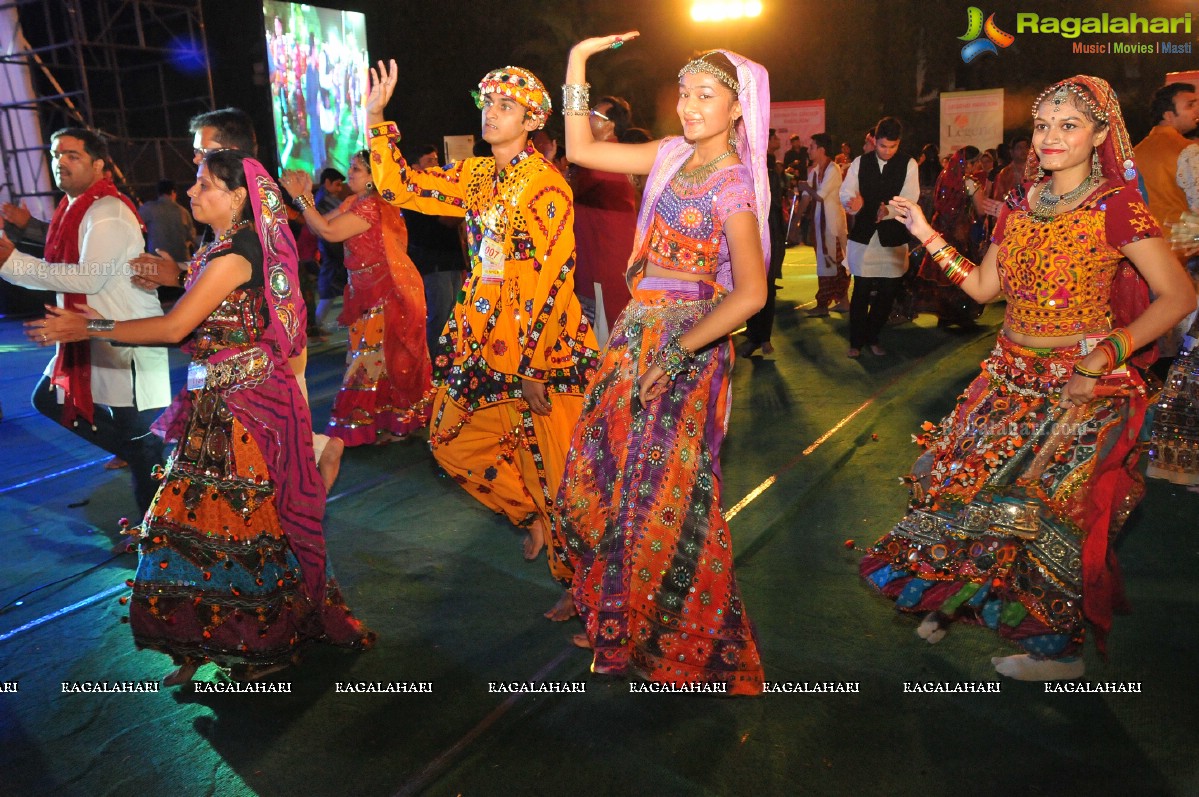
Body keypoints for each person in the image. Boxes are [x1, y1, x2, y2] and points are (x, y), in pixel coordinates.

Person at [861, 76, 1195, 681]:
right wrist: (926, 234)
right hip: (1005, 376)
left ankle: (1058, 650)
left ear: (1100, 134)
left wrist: (1104, 355)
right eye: (1043, 126)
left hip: (1079, 388)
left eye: (1069, 125)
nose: (1050, 137)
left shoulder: (1116, 206)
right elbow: (985, 290)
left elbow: (1176, 295)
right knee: (956, 489)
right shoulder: (1019, 206)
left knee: (1043, 518)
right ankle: (957, 597)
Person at [29, 150, 375, 685]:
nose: (192, 193)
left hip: (245, 411)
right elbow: (214, 303)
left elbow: (174, 330)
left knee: (242, 528)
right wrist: (175, 273)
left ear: (237, 197)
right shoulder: (223, 247)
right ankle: (202, 632)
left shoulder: (235, 254)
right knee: (190, 523)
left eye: (204, 184)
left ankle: (259, 637)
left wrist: (90, 328)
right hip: (218, 404)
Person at [550, 36, 768, 694]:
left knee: (660, 496)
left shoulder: (733, 183)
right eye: (684, 92)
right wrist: (578, 63)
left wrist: (676, 351)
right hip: (631, 334)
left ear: (737, 109)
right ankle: (615, 608)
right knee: (600, 477)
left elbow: (751, 294)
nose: (690, 106)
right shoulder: (670, 153)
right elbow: (583, 149)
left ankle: (675, 639)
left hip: (685, 349)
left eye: (707, 95)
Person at [366, 60, 600, 561]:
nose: (491, 115)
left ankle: (582, 582)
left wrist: (537, 364)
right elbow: (400, 187)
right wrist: (376, 118)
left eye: (506, 106)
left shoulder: (546, 185)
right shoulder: (474, 175)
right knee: (450, 439)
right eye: (488, 104)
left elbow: (556, 277)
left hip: (541, 344)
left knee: (557, 465)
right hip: (481, 334)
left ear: (532, 120)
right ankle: (532, 516)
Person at [130, 107, 345, 490]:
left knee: (272, 469)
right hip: (230, 361)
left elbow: (253, 276)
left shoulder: (260, 213)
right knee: (260, 467)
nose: (195, 159)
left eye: (202, 151)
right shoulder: (227, 211)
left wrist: (92, 326)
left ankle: (315, 468)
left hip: (266, 356)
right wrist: (179, 273)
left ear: (229, 154)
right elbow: (225, 278)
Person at [0, 128, 169, 516]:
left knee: (135, 435)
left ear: (98, 164)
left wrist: (11, 262)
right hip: (91, 334)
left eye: (72, 155)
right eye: (56, 154)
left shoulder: (107, 211)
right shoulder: (74, 208)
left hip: (126, 338)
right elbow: (70, 259)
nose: (60, 161)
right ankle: (151, 467)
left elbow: (87, 277)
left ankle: (158, 531)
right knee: (52, 400)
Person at [282, 150, 432, 445]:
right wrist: (304, 197)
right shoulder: (355, 202)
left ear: (373, 178)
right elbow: (318, 225)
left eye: (357, 169)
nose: (350, 173)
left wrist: (302, 198)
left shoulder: (373, 207)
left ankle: (382, 423)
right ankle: (385, 422)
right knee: (373, 360)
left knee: (376, 361)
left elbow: (328, 231)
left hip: (387, 293)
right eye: (350, 167)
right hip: (366, 291)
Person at [571, 95, 637, 341]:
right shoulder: (607, 155)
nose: (587, 117)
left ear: (609, 125)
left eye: (594, 115)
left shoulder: (603, 157)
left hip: (603, 267)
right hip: (604, 263)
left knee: (604, 340)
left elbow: (564, 192)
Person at [906, 146, 987, 327]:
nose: (978, 166)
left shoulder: (945, 177)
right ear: (969, 164)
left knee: (943, 270)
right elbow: (981, 210)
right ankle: (959, 314)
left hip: (941, 230)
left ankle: (944, 314)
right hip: (960, 233)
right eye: (976, 162)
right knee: (962, 271)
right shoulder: (970, 183)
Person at [402, 145, 467, 355]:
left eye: (436, 160)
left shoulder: (437, 188)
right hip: (433, 260)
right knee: (441, 312)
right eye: (429, 161)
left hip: (450, 258)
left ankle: (448, 355)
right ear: (414, 167)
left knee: (454, 310)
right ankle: (436, 360)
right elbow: (446, 220)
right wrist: (469, 208)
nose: (436, 165)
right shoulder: (418, 192)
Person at [740, 128, 785, 354]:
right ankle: (753, 335)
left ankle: (764, 337)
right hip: (746, 233)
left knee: (767, 286)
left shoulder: (770, 168)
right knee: (747, 286)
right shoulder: (740, 165)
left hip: (769, 231)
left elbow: (775, 203)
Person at [801, 132, 849, 316]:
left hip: (832, 227)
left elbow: (819, 196)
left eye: (812, 147)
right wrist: (796, 220)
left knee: (831, 264)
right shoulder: (815, 171)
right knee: (833, 265)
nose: (809, 150)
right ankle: (843, 302)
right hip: (822, 226)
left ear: (821, 150)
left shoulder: (833, 169)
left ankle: (823, 305)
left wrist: (806, 187)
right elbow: (807, 198)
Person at [314, 166, 348, 334]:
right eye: (337, 184)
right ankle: (315, 326)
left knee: (332, 292)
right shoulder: (324, 201)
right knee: (329, 292)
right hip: (333, 251)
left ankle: (316, 326)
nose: (340, 188)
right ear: (327, 182)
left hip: (334, 252)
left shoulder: (328, 199)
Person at [140, 179, 194, 264]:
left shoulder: (148, 209)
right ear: (173, 192)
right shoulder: (183, 212)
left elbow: (137, 224)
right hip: (181, 260)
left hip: (157, 260)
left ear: (158, 193)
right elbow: (191, 236)